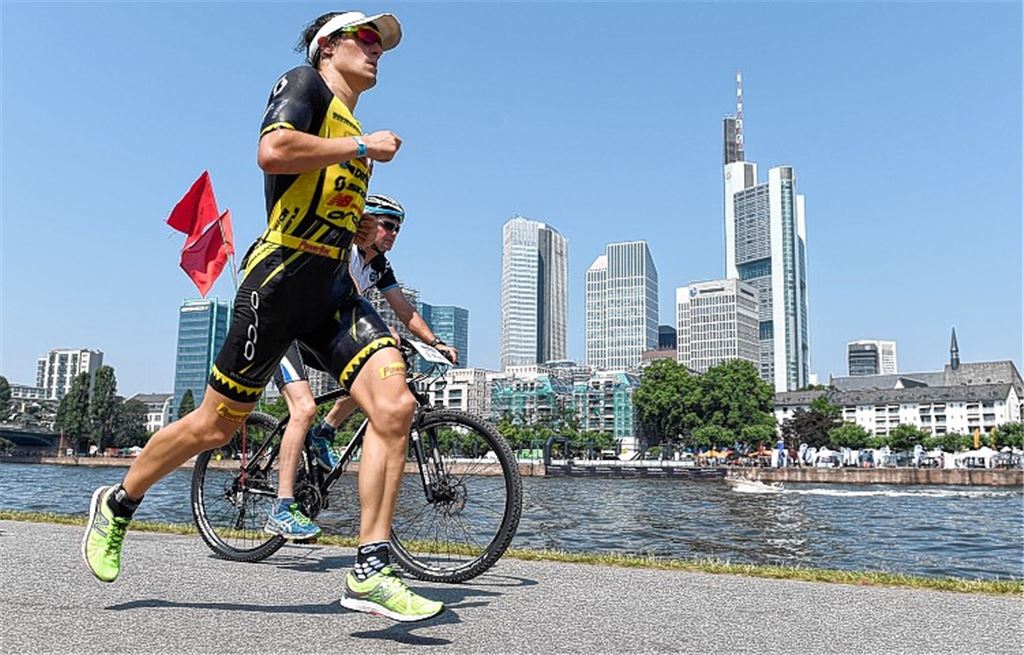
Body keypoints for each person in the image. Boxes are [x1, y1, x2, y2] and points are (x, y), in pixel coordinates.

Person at [82, 10, 444, 622]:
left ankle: (370, 569)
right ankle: (119, 502)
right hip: (278, 280)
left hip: (330, 287)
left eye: (381, 42)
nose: (377, 47)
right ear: (327, 47)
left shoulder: (351, 122)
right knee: (215, 427)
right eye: (365, 36)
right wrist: (361, 145)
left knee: (395, 403)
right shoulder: (304, 85)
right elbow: (272, 151)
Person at [265, 193, 459, 541]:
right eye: (387, 225)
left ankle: (326, 430)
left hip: (317, 335)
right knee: (304, 409)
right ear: (365, 222)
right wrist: (386, 338)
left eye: (398, 228)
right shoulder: (341, 252)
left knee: (371, 378)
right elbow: (347, 296)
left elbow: (406, 311)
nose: (393, 234)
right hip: (283, 331)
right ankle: (282, 507)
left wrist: (436, 343)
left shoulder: (379, 266)